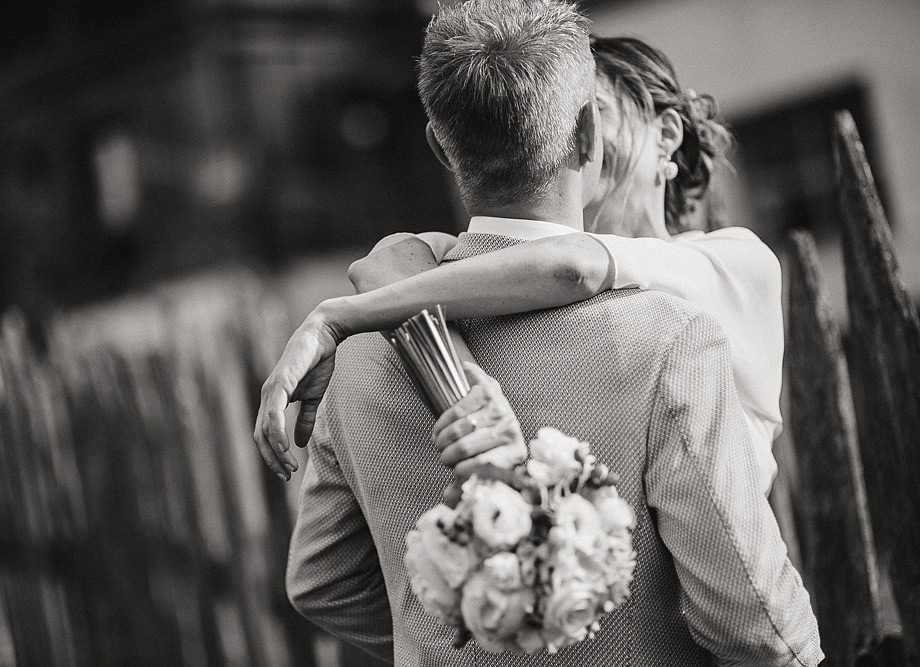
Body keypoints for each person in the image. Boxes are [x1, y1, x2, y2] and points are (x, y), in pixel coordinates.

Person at [267, 1, 822, 664]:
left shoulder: (364, 359)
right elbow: (757, 629)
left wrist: (462, 644)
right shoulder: (669, 340)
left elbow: (321, 583)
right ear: (589, 133)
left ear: (442, 146)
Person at [259, 35, 783, 496]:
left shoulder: (734, 260)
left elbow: (571, 267)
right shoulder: (518, 268)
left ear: (665, 135)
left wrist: (338, 317)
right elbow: (388, 261)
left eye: (594, 109)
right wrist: (463, 382)